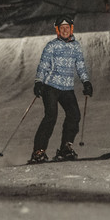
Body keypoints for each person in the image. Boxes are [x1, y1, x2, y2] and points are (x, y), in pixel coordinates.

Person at [28, 15, 93, 164]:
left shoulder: (76, 46)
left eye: (67, 28)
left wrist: (86, 82)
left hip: (67, 88)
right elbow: (43, 65)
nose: (65, 31)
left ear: (71, 29)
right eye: (62, 28)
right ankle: (39, 151)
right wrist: (38, 82)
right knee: (51, 116)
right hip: (50, 87)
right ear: (57, 30)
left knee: (74, 115)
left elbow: (80, 66)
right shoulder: (51, 46)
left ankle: (65, 148)